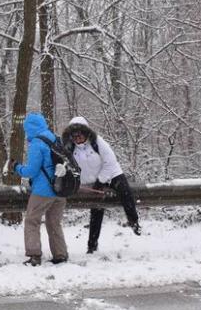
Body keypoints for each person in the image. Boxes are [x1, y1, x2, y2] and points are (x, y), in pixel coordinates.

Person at [61, 116, 140, 254]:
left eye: (80, 135)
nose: (77, 138)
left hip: (112, 173)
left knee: (125, 192)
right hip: (91, 181)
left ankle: (133, 221)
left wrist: (101, 181)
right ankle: (92, 246)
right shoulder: (69, 147)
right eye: (74, 136)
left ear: (86, 133)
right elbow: (66, 166)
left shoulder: (97, 142)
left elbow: (110, 161)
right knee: (96, 210)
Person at [10, 112, 68, 266]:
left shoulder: (36, 143)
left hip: (43, 191)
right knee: (54, 223)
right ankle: (60, 255)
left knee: (31, 221)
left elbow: (32, 171)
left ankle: (34, 256)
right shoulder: (55, 138)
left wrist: (17, 168)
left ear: (29, 128)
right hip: (60, 189)